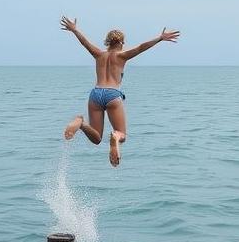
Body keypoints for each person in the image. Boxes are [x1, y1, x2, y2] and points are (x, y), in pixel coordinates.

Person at [61, 16, 180, 166]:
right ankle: (115, 137)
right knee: (121, 134)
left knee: (97, 138)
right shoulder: (122, 56)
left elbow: (85, 42)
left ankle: (81, 122)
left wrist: (74, 30)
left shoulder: (98, 54)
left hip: (96, 94)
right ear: (121, 42)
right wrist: (160, 38)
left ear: (107, 42)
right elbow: (141, 47)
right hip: (112, 94)